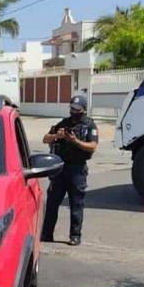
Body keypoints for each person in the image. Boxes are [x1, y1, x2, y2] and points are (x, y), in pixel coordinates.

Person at [41, 94, 99, 246]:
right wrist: (56, 135)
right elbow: (45, 139)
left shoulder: (89, 125)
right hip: (60, 168)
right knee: (52, 203)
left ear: (84, 109)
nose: (73, 111)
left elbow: (92, 146)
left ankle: (75, 236)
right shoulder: (63, 123)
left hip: (77, 169)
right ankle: (47, 234)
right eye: (72, 108)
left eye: (77, 109)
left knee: (76, 204)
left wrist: (75, 141)